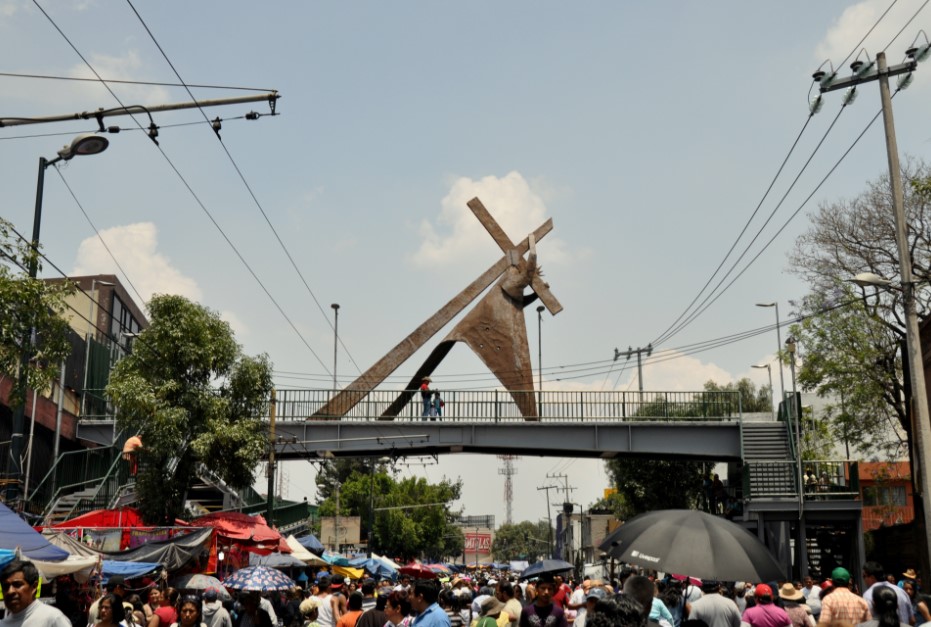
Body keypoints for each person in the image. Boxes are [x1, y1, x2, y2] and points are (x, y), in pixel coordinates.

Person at [0, 559, 72, 627]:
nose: (10, 591)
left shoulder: (52, 618)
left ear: (34, 587)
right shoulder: (2, 624)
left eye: (17, 585)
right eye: (5, 586)